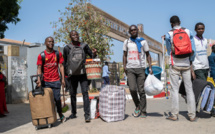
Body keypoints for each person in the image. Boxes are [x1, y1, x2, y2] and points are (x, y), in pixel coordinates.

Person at [165, 15, 197, 122]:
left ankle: (174, 115)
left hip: (175, 65)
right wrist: (190, 61)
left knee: (174, 89)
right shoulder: (188, 32)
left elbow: (169, 49)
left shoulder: (169, 34)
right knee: (189, 90)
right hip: (187, 64)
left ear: (171, 24)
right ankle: (192, 115)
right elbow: (193, 49)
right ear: (180, 22)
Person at [63, 30, 97, 123]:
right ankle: (73, 113)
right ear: (70, 37)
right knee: (72, 94)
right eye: (73, 35)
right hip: (72, 75)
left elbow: (92, 57)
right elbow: (64, 62)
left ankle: (87, 115)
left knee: (85, 93)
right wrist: (66, 76)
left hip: (83, 74)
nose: (75, 36)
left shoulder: (84, 46)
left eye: (77, 34)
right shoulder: (66, 48)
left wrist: (94, 53)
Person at [123, 25, 153, 118]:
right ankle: (138, 105)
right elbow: (124, 55)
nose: (133, 31)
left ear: (137, 30)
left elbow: (148, 54)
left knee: (141, 90)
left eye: (135, 30)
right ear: (129, 32)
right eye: (131, 30)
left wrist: (150, 66)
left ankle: (143, 111)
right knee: (132, 89)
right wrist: (124, 66)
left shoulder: (143, 41)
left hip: (141, 68)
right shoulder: (126, 42)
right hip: (130, 68)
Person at [36, 36, 66, 122]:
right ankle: (49, 117)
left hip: (56, 81)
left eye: (52, 41)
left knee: (57, 100)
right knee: (47, 101)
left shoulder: (58, 54)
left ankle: (60, 114)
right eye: (49, 42)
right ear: (45, 43)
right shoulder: (41, 55)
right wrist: (38, 79)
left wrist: (63, 79)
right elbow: (39, 68)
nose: (51, 43)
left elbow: (61, 66)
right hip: (45, 82)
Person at [208, 45, 215, 116]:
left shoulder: (209, 57)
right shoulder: (213, 56)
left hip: (211, 77)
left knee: (212, 94)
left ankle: (212, 110)